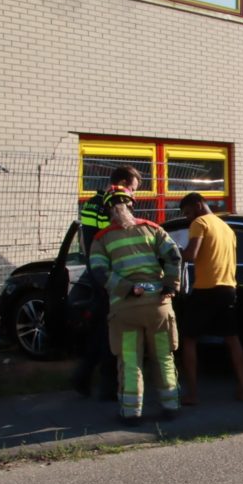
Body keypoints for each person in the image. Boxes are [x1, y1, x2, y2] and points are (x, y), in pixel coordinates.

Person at [88, 188, 183, 426]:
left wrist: (127, 288)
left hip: (125, 310)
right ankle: (171, 407)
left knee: (130, 361)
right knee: (163, 356)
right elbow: (174, 256)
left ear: (109, 210)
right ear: (132, 205)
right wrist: (170, 285)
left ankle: (131, 413)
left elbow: (98, 272)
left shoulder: (101, 239)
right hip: (158, 307)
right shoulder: (152, 229)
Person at [71, 165, 142, 400]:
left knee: (101, 329)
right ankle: (107, 386)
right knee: (112, 331)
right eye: (132, 189)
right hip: (110, 275)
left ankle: (85, 377)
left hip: (97, 271)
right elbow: (116, 235)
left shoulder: (92, 202)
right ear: (121, 183)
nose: (133, 197)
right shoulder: (110, 204)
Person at [177, 192, 243, 404]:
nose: (188, 217)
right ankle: (242, 389)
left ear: (198, 205)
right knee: (232, 338)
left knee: (189, 339)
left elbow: (191, 255)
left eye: (188, 212)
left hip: (206, 289)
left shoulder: (200, 223)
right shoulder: (226, 228)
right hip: (228, 289)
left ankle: (192, 394)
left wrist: (174, 251)